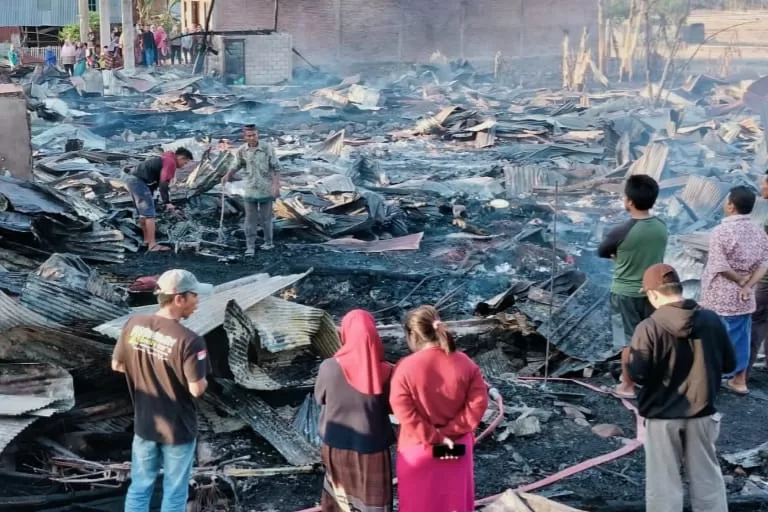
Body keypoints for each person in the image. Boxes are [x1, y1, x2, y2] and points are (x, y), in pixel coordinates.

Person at [627, 264, 735, 512]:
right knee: (708, 481)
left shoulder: (648, 327)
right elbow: (730, 363)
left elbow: (639, 373)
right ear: (679, 288)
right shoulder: (712, 320)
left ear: (653, 294)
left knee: (664, 485)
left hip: (662, 416)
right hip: (703, 414)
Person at [111, 269, 212, 512]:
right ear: (179, 298)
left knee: (140, 486)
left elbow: (117, 364)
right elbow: (197, 390)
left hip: (145, 425)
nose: (198, 302)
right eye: (195, 296)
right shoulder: (190, 341)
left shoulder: (133, 324)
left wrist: (148, 373)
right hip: (177, 429)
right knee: (175, 492)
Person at [390, 305, 489, 512]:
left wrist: (433, 436)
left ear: (412, 335)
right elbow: (478, 403)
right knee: (454, 503)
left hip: (418, 449)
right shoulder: (466, 363)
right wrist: (450, 432)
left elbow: (403, 410)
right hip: (456, 447)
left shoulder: (405, 367)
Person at [314, 309, 395, 512]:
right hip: (372, 449)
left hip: (335, 444)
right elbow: (391, 406)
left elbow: (319, 398)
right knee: (372, 502)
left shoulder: (328, 367)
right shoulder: (387, 371)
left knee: (339, 497)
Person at [598, 175, 667, 399]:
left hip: (625, 293)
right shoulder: (660, 227)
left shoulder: (622, 230)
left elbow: (602, 251)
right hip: (654, 292)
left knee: (627, 340)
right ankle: (650, 380)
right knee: (650, 338)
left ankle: (626, 385)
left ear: (629, 201)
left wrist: (618, 255)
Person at [700, 185, 768, 394]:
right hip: (744, 297)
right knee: (742, 336)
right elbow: (765, 264)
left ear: (730, 205)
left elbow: (720, 266)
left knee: (714, 337)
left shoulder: (721, 231)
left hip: (720, 295)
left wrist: (739, 281)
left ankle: (710, 380)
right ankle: (739, 381)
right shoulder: (759, 231)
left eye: (726, 200)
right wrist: (748, 285)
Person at [221, 125, 281, 255]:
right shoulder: (242, 150)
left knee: (266, 218)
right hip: (250, 188)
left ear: (257, 134)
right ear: (245, 137)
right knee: (250, 218)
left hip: (266, 187)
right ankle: (250, 246)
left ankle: (268, 242)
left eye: (254, 135)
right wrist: (227, 176)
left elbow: (276, 168)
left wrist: (276, 187)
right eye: (249, 136)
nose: (252, 138)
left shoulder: (267, 148)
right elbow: (236, 165)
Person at [121, 147, 193, 252]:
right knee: (150, 215)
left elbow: (156, 180)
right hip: (139, 181)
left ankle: (147, 240)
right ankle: (153, 245)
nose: (184, 166)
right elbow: (163, 183)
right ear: (181, 157)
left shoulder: (165, 158)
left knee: (143, 213)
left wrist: (154, 196)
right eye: (185, 162)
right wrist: (167, 202)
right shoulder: (171, 162)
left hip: (133, 180)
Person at [750, 171, 768, 380]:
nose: (761, 187)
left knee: (757, 322)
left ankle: (742, 375)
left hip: (765, 280)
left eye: (764, 183)